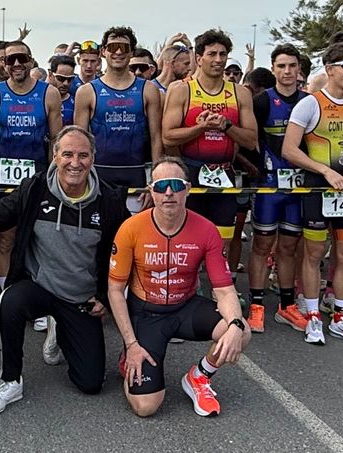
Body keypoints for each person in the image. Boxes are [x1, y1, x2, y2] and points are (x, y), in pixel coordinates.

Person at [0, 126, 130, 412]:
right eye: (67, 154)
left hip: (80, 297)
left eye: (83, 155)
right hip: (38, 286)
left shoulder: (109, 200)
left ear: (93, 158)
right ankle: (10, 381)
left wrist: (105, 296)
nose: (75, 162)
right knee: (8, 302)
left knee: (90, 382)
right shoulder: (35, 189)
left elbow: (129, 246)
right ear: (55, 156)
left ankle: (60, 331)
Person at [107, 159, 251, 417]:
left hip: (185, 308)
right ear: (151, 191)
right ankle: (130, 354)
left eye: (176, 185)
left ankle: (199, 376)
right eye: (162, 186)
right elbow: (115, 291)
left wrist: (235, 326)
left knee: (241, 330)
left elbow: (224, 289)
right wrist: (131, 344)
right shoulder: (131, 228)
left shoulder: (206, 230)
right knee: (146, 407)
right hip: (146, 315)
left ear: (188, 189)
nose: (169, 193)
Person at [281, 43, 343, 345]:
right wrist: (324, 171)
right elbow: (289, 149)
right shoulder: (310, 104)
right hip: (318, 187)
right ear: (330, 69)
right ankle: (311, 315)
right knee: (314, 253)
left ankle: (341, 316)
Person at [161, 29, 259, 254]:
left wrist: (227, 126)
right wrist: (201, 128)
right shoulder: (182, 89)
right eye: (212, 54)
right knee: (185, 243)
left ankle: (219, 288)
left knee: (220, 245)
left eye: (223, 54)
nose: (218, 60)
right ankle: (188, 288)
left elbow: (251, 140)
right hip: (190, 171)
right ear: (199, 58)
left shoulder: (240, 93)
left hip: (223, 172)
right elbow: (168, 136)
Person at [0, 39, 62, 285]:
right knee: (5, 238)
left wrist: (53, 181)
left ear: (30, 61)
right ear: (3, 64)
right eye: (10, 59)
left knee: (38, 237)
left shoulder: (49, 93)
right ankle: (6, 295)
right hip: (2, 176)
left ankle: (36, 296)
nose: (16, 64)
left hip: (37, 176)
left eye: (22, 58)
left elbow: (56, 142)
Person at [247, 44, 310, 332]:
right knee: (261, 245)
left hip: (298, 187)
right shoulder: (261, 101)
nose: (287, 72)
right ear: (273, 69)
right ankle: (256, 304)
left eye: (292, 66)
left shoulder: (309, 102)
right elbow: (250, 141)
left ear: (299, 70)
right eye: (281, 66)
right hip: (268, 186)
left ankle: (286, 305)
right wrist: (257, 170)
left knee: (289, 246)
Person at [74, 25, 162, 203]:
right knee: (102, 230)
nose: (119, 52)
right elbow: (79, 141)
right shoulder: (87, 91)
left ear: (131, 53)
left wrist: (156, 181)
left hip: (137, 173)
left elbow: (156, 138)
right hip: (99, 173)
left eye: (125, 48)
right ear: (104, 52)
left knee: (135, 229)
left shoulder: (148, 89)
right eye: (113, 47)